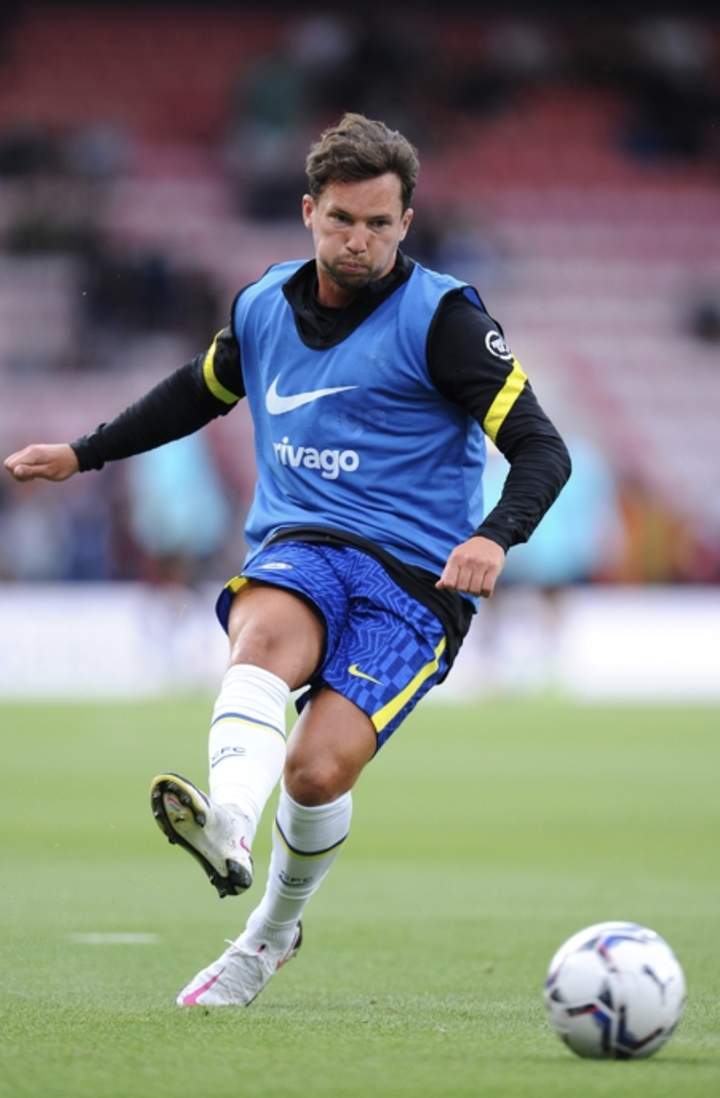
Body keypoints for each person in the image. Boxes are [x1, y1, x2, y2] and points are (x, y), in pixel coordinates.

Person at [4, 113, 571, 1007]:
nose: (359, 241)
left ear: (406, 223)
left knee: (315, 772)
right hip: (303, 544)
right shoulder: (263, 304)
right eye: (342, 219)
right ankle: (229, 821)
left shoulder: (446, 321)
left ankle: (269, 935)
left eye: (379, 224)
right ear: (310, 212)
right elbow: (198, 391)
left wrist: (494, 534)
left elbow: (542, 447)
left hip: (414, 581)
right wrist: (86, 452)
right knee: (263, 635)